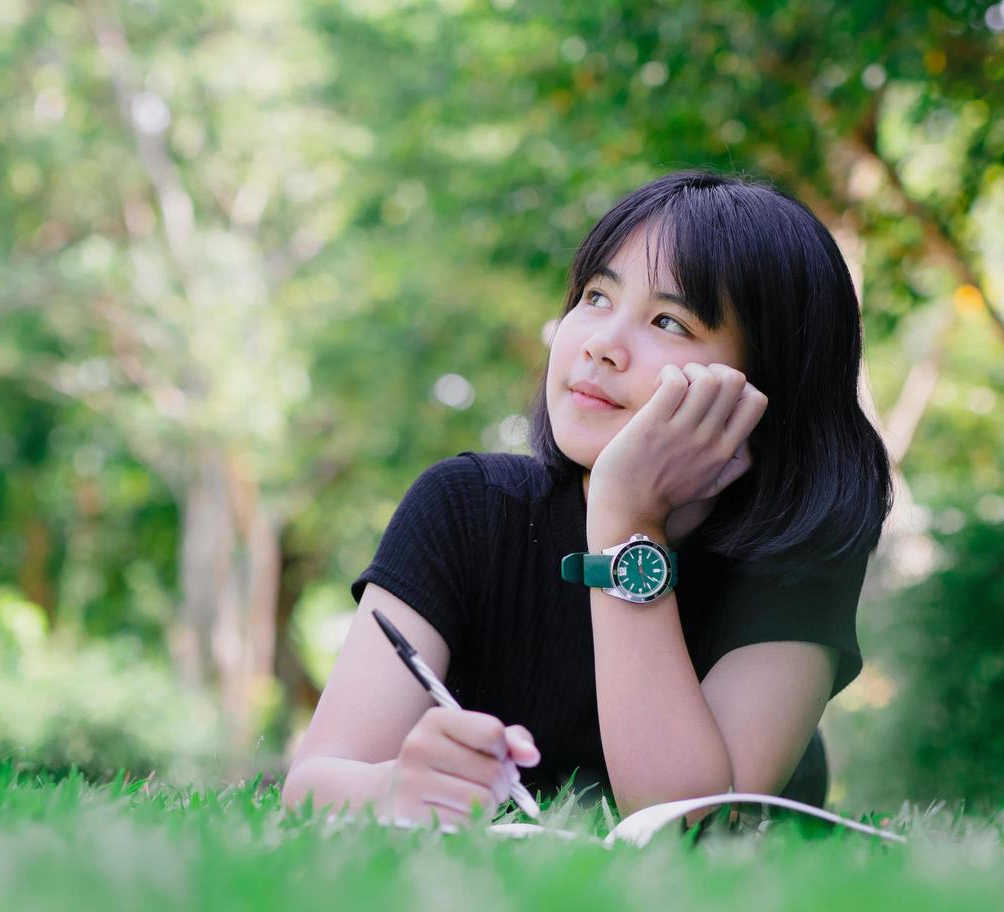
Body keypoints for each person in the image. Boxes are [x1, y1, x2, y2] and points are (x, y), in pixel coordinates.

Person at [280, 169, 894, 830]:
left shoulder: (801, 544)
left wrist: (627, 522)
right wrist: (392, 790)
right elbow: (315, 782)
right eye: (597, 296)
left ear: (764, 383)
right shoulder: (465, 508)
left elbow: (688, 822)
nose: (600, 343)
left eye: (669, 320)